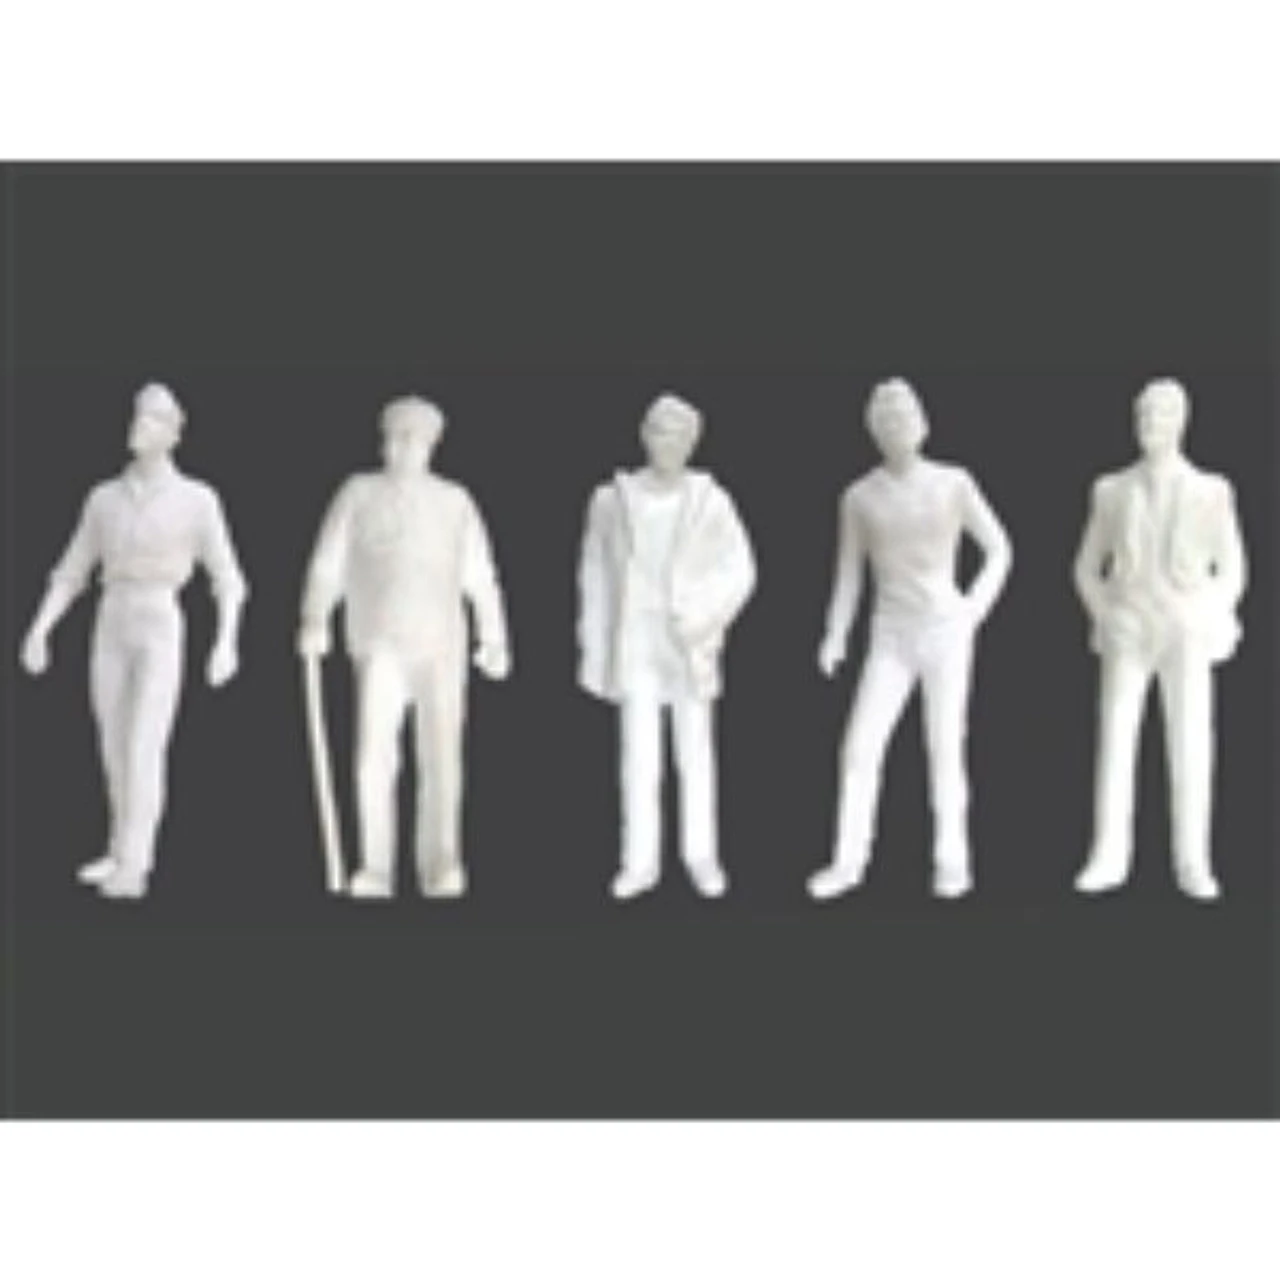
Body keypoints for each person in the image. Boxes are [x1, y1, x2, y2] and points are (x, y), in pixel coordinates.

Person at [20, 382, 248, 899]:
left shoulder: (197, 500)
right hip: (111, 618)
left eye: (151, 419)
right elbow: (72, 569)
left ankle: (136, 864)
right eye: (137, 416)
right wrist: (40, 629)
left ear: (172, 434)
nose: (138, 426)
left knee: (145, 743)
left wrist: (226, 641)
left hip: (159, 619)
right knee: (114, 746)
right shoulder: (103, 499)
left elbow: (229, 577)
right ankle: (119, 847)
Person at [298, 396, 511, 899]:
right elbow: (327, 564)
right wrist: (314, 616)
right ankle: (375, 866)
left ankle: (442, 862)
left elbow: (481, 576)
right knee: (373, 757)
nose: (402, 447)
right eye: (395, 437)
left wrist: (494, 635)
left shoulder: (454, 501)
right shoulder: (358, 493)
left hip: (440, 644)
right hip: (379, 642)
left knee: (442, 759)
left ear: (432, 446)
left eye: (414, 439)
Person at [809, 378, 1012, 900]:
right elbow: (849, 575)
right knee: (859, 749)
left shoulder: (953, 483)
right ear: (872, 430)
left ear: (922, 423)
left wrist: (974, 609)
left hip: (945, 630)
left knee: (944, 747)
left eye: (904, 417)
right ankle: (848, 862)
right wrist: (835, 634)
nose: (896, 427)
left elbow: (999, 548)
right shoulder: (859, 497)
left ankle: (953, 861)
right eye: (885, 420)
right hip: (890, 635)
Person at [577, 392, 756, 900]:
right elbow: (593, 576)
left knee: (695, 753)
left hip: (685, 641)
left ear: (693, 442)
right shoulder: (610, 501)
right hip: (635, 639)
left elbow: (741, 569)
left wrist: (703, 618)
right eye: (659, 432)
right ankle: (639, 862)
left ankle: (701, 855)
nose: (668, 444)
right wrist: (593, 648)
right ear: (644, 435)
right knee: (638, 757)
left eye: (679, 436)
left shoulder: (711, 501)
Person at [1073, 378, 1247, 901]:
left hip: (1184, 630)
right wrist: (1105, 613)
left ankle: (1193, 861)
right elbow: (1085, 567)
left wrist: (1207, 616)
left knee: (1191, 744)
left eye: (1161, 416)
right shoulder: (1110, 490)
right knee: (1115, 740)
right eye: (1144, 415)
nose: (1150, 425)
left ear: (1182, 422)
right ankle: (1108, 856)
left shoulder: (1212, 491)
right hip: (1129, 627)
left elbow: (1233, 570)